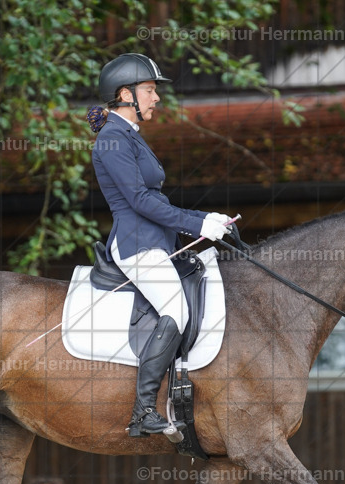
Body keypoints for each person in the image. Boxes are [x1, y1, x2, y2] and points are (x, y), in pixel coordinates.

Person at [86, 53, 236, 437]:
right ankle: (142, 411)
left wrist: (207, 220)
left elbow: (157, 202)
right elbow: (140, 201)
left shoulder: (128, 136)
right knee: (176, 310)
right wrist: (197, 223)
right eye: (150, 90)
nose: (156, 99)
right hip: (137, 245)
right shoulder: (112, 138)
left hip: (155, 240)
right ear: (125, 94)